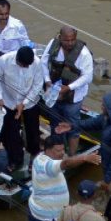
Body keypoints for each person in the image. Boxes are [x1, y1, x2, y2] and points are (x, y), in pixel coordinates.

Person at [24, 135, 100, 221]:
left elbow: (64, 161)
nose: (61, 153)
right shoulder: (49, 165)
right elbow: (66, 163)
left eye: (63, 150)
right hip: (48, 218)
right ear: (47, 150)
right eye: (57, 151)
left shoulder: (40, 158)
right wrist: (85, 158)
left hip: (36, 212)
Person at [55, 92, 111, 198]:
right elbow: (91, 123)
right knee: (108, 191)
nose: (101, 106)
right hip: (110, 164)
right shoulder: (107, 118)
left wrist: (107, 180)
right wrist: (72, 126)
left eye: (103, 105)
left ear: (110, 108)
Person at [41, 26, 93, 156]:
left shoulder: (84, 53)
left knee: (73, 128)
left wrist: (69, 88)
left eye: (72, 40)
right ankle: (57, 153)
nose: (69, 43)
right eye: (66, 40)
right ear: (60, 37)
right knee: (55, 126)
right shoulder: (53, 45)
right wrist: (47, 81)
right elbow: (43, 62)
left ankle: (72, 156)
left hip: (73, 98)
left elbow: (88, 76)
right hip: (54, 95)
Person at [0, 46, 44, 170]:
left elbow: (37, 85)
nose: (27, 67)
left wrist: (24, 103)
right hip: (8, 102)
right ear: (17, 60)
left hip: (30, 103)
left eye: (28, 65)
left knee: (33, 131)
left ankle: (34, 155)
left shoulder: (36, 63)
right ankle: (16, 159)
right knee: (11, 132)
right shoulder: (3, 60)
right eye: (24, 65)